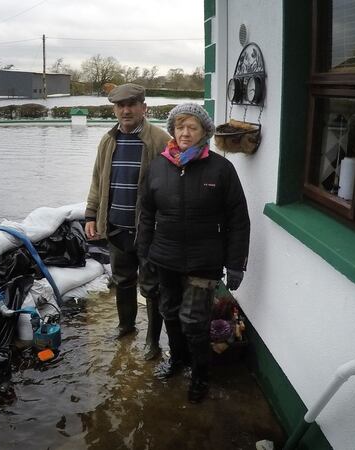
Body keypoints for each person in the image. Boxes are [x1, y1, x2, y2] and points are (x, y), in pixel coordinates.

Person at [137, 103, 250, 403]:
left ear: (204, 133)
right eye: (180, 126)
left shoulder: (221, 169)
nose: (185, 132)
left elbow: (238, 219)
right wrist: (144, 255)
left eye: (193, 127)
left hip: (204, 260)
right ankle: (177, 360)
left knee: (194, 321)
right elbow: (146, 214)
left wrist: (236, 263)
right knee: (170, 312)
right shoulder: (158, 166)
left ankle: (200, 374)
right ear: (173, 129)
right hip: (165, 257)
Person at [84, 83, 171, 359]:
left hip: (149, 232)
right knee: (123, 280)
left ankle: (153, 341)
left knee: (151, 287)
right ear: (115, 110)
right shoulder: (108, 140)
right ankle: (126, 326)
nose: (126, 110)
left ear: (144, 107)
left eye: (132, 104)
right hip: (116, 227)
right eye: (120, 106)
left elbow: (171, 187)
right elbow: (98, 180)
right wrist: (91, 214)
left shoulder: (160, 140)